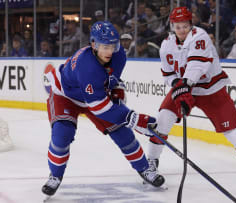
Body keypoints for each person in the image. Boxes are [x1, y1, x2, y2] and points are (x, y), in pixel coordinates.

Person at [41, 21, 165, 197]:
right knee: (62, 135)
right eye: (104, 46)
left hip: (94, 95)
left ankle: (145, 169)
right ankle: (55, 175)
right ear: (93, 44)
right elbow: (99, 108)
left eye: (112, 46)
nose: (109, 51)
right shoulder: (87, 65)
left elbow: (111, 80)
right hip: (66, 96)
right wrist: (134, 118)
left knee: (122, 133)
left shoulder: (119, 54)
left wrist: (116, 90)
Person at [146, 7, 236, 179]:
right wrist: (177, 85)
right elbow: (168, 73)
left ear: (191, 24)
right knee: (163, 119)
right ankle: (151, 161)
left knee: (232, 128)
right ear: (172, 26)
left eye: (185, 26)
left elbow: (197, 65)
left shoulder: (200, 36)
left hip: (210, 88)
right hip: (184, 88)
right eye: (178, 26)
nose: (182, 30)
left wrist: (184, 85)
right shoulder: (167, 44)